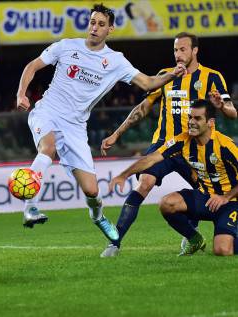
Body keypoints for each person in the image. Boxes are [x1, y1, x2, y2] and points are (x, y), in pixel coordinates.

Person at [15, 3, 186, 241]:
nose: (95, 28)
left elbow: (147, 83)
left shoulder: (115, 61)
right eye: (92, 22)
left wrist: (171, 75)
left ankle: (98, 216)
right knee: (48, 146)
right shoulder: (66, 46)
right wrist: (21, 93)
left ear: (110, 30)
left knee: (92, 190)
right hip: (48, 112)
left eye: (101, 24)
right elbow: (32, 66)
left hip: (75, 127)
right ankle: (30, 207)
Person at [100, 32, 236, 257]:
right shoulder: (166, 75)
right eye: (175, 50)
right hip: (165, 144)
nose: (178, 54)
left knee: (204, 194)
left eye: (183, 49)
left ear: (195, 51)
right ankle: (115, 242)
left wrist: (222, 106)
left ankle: (200, 233)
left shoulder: (212, 77)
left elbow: (232, 112)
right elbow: (142, 108)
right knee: (144, 182)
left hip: (195, 149)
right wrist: (117, 134)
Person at [110, 99, 238, 256]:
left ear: (210, 122)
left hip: (230, 202)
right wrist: (124, 175)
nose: (191, 122)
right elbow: (151, 159)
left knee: (222, 250)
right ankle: (194, 238)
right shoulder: (182, 141)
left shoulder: (225, 145)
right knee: (167, 203)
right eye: (190, 117)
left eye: (197, 118)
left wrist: (226, 197)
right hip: (205, 198)